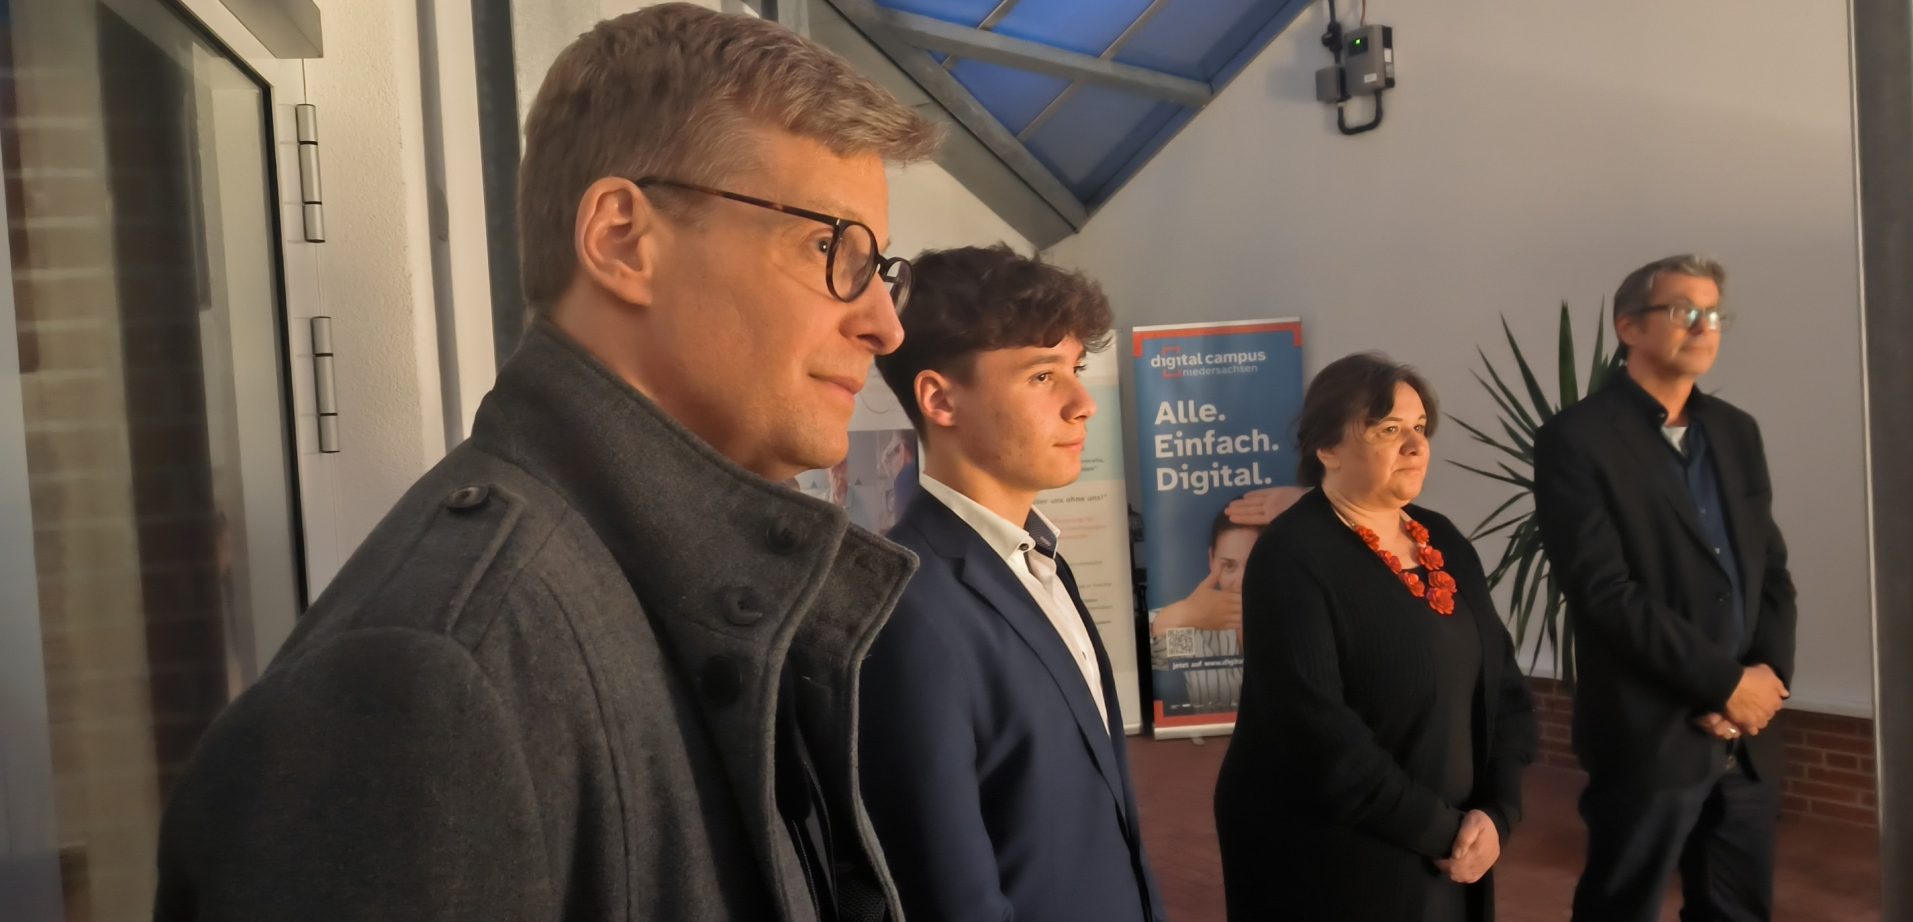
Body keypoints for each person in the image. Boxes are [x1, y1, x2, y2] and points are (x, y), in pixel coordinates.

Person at [152, 6, 941, 921]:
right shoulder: (435, 681)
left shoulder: (674, 599)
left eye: (880, 269)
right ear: (621, 240)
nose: (884, 325)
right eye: (829, 248)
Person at [860, 244, 1167, 922]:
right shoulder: (910, 608)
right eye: (1042, 375)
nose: (1083, 404)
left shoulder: (1039, 560)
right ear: (941, 399)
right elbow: (948, 891)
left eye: (1076, 370)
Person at [1214, 353, 1537, 922]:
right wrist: (1441, 831)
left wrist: (1498, 813)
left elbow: (1504, 686)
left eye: (1420, 428)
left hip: (1455, 845)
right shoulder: (1291, 556)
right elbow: (1315, 730)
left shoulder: (1443, 539)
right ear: (1327, 448)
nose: (1415, 446)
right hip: (1337, 853)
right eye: (1388, 430)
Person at [1534, 255, 1797, 922]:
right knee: (1623, 908)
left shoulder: (1736, 432)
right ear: (1629, 326)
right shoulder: (1578, 439)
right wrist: (1723, 684)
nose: (1705, 327)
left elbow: (1769, 572)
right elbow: (1604, 592)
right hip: (1649, 731)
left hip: (1746, 735)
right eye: (1684, 312)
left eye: (1714, 314)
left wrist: (1764, 681)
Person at [1147, 503, 1260, 712]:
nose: (1242, 581)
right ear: (1211, 559)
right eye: (1229, 566)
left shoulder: (1297, 620)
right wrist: (1185, 613)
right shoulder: (1194, 628)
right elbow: (1151, 663)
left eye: (1255, 563)